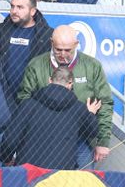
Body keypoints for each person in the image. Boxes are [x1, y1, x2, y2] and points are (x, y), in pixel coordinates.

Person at [16, 26, 114, 163]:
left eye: (67, 50)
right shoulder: (36, 65)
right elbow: (24, 99)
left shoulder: (92, 66)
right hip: (42, 138)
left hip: (81, 139)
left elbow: (105, 103)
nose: (62, 54)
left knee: (82, 176)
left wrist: (103, 141)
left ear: (76, 44)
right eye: (58, 49)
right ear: (51, 43)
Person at [2, 66, 106, 169]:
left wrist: (6, 159)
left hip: (28, 172)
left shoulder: (29, 104)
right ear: (70, 84)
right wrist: (90, 113)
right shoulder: (78, 109)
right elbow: (93, 132)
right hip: (60, 174)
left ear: (50, 80)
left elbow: (10, 138)